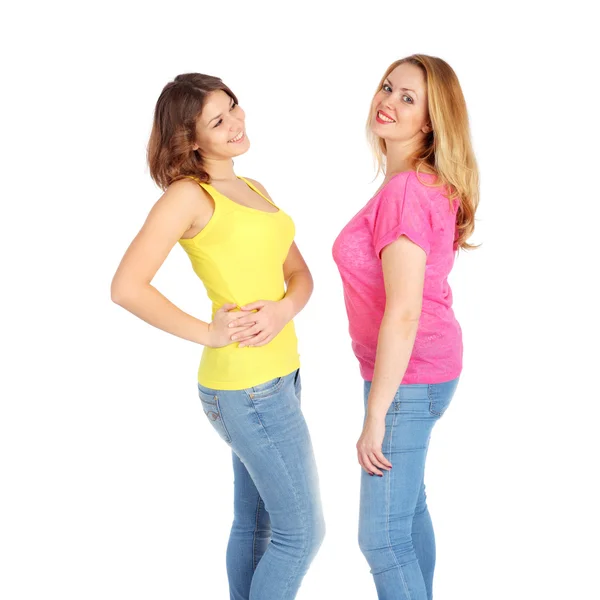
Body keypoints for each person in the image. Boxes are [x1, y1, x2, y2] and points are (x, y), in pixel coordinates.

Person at [111, 73, 324, 600]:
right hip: (246, 387)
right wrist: (208, 332)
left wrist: (281, 311)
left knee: (257, 526)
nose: (236, 123)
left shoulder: (255, 189)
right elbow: (126, 287)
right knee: (303, 533)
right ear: (189, 137)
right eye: (218, 120)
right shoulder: (187, 196)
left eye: (234, 108)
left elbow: (301, 277)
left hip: (282, 375)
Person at [332, 54, 479, 600]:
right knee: (408, 510)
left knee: (382, 538)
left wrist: (375, 414)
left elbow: (404, 311)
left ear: (431, 121)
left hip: (407, 379)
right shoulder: (423, 182)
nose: (388, 102)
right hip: (426, 371)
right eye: (388, 87)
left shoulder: (405, 194)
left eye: (408, 98)